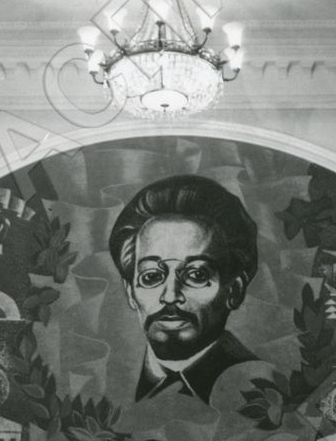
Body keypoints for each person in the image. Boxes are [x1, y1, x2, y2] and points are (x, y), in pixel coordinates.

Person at [109, 174, 260, 405]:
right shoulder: (107, 384)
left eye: (196, 275)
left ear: (234, 290)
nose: (170, 296)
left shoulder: (261, 387)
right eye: (151, 277)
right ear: (130, 292)